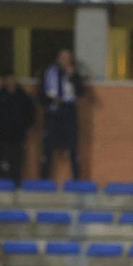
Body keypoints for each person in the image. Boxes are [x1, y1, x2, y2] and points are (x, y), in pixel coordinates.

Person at [40, 49, 86, 181]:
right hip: (52, 111)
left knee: (73, 148)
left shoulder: (74, 73)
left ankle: (76, 180)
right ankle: (44, 180)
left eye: (67, 58)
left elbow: (81, 92)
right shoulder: (49, 72)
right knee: (47, 148)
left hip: (69, 112)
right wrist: (52, 100)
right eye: (62, 58)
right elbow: (40, 95)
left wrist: (73, 76)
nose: (65, 61)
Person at [0, 73, 34, 182]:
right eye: (7, 80)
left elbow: (30, 115)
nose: (10, 82)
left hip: (18, 136)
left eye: (12, 79)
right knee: (1, 162)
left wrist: (23, 127)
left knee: (17, 161)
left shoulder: (23, 98)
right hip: (1, 137)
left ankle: (16, 183)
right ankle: (0, 184)